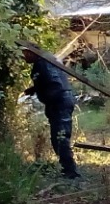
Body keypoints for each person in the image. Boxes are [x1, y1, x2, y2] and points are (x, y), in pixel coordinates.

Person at [22, 47, 81, 179]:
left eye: (24, 54)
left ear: (31, 52)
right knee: (57, 137)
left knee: (61, 137)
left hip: (59, 102)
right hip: (59, 101)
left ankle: (71, 172)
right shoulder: (46, 60)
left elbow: (55, 83)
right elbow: (49, 81)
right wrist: (34, 89)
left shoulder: (43, 63)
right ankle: (66, 169)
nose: (23, 57)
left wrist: (49, 99)